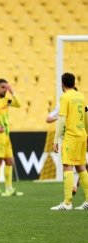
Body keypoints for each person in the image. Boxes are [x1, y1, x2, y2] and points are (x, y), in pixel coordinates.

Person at [51, 72, 88, 210]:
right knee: (81, 167)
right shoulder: (81, 96)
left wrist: (56, 139)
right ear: (74, 83)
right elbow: (86, 115)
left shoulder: (65, 97)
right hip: (82, 135)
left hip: (71, 137)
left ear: (62, 84)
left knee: (67, 166)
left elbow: (61, 119)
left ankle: (67, 203)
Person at [46, 86, 80, 195]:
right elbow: (48, 119)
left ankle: (69, 196)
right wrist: (58, 117)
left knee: (69, 165)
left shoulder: (78, 104)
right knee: (79, 166)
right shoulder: (63, 105)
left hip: (71, 138)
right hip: (75, 137)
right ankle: (75, 185)